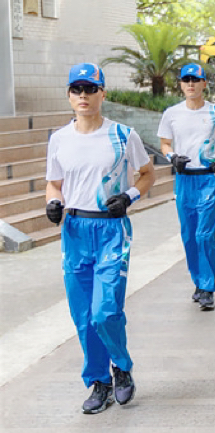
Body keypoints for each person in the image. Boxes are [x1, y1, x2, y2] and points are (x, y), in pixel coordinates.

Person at [45, 63, 156, 414]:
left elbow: (147, 173)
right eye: (76, 89)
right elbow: (55, 182)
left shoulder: (123, 136)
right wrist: (53, 201)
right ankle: (99, 382)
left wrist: (129, 197)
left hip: (111, 229)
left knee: (104, 310)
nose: (83, 96)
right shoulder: (59, 139)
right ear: (68, 95)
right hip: (75, 231)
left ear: (102, 93)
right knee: (83, 315)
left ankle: (121, 366)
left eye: (90, 89)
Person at [157, 63, 215, 310]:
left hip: (208, 179)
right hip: (184, 180)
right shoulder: (171, 114)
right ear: (181, 84)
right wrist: (172, 157)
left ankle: (207, 286)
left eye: (196, 80)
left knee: (204, 234)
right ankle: (198, 280)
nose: (191, 84)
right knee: (189, 235)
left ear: (204, 84)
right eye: (186, 80)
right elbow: (164, 143)